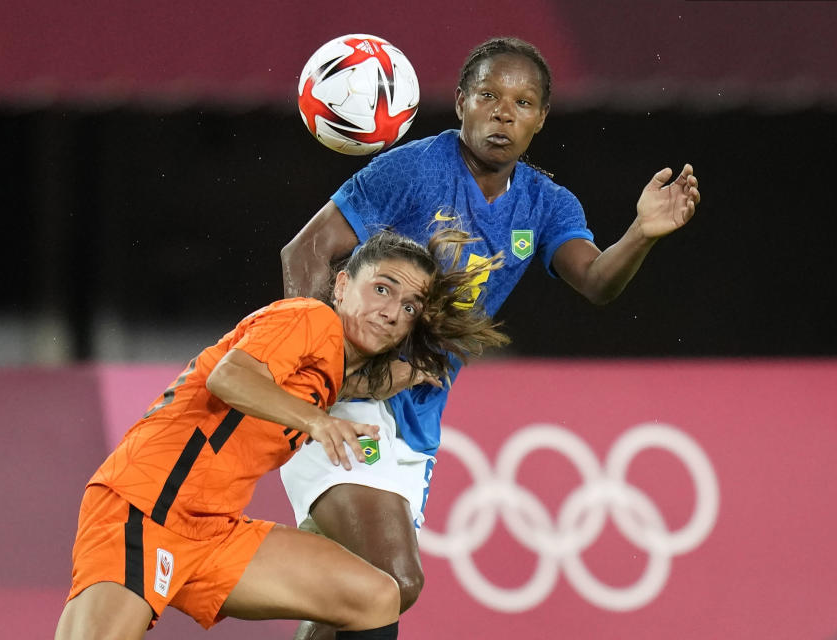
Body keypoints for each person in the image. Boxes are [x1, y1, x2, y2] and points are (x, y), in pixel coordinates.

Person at [279, 36, 702, 640]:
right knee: (394, 581)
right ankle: (235, 566)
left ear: (541, 118)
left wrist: (641, 232)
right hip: (347, 400)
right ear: (459, 103)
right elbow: (306, 252)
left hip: (418, 420)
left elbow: (597, 282)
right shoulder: (412, 169)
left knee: (363, 600)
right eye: (488, 95)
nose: (504, 112)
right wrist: (317, 362)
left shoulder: (546, 205)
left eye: (523, 101)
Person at [54, 229, 508, 640]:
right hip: (145, 507)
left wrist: (416, 370)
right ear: (342, 285)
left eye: (408, 307)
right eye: (382, 289)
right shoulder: (307, 318)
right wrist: (318, 423)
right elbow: (229, 379)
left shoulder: (333, 372)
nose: (390, 312)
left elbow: (364, 381)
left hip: (214, 530)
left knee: (375, 596)